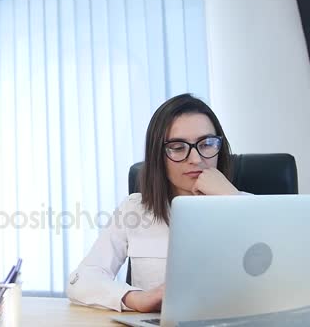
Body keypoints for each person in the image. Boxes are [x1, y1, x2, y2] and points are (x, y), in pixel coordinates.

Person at [66, 93, 242, 312]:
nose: (196, 159)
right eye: (178, 147)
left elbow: (290, 276)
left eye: (206, 144)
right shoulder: (135, 209)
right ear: (158, 156)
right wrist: (134, 298)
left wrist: (234, 201)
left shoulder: (253, 208)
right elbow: (81, 279)